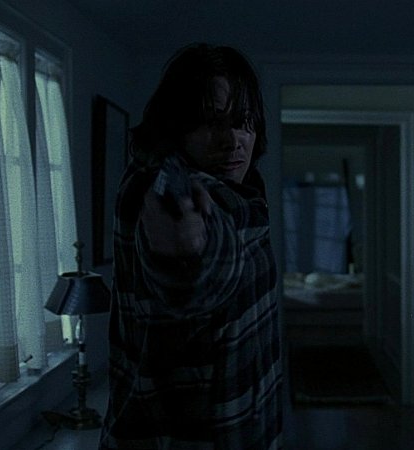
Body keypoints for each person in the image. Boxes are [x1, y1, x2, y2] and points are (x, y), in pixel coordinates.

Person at [100, 43, 282, 450]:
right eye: (210, 122)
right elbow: (202, 267)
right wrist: (184, 255)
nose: (232, 140)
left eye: (244, 121)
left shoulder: (244, 190)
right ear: (175, 127)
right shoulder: (167, 187)